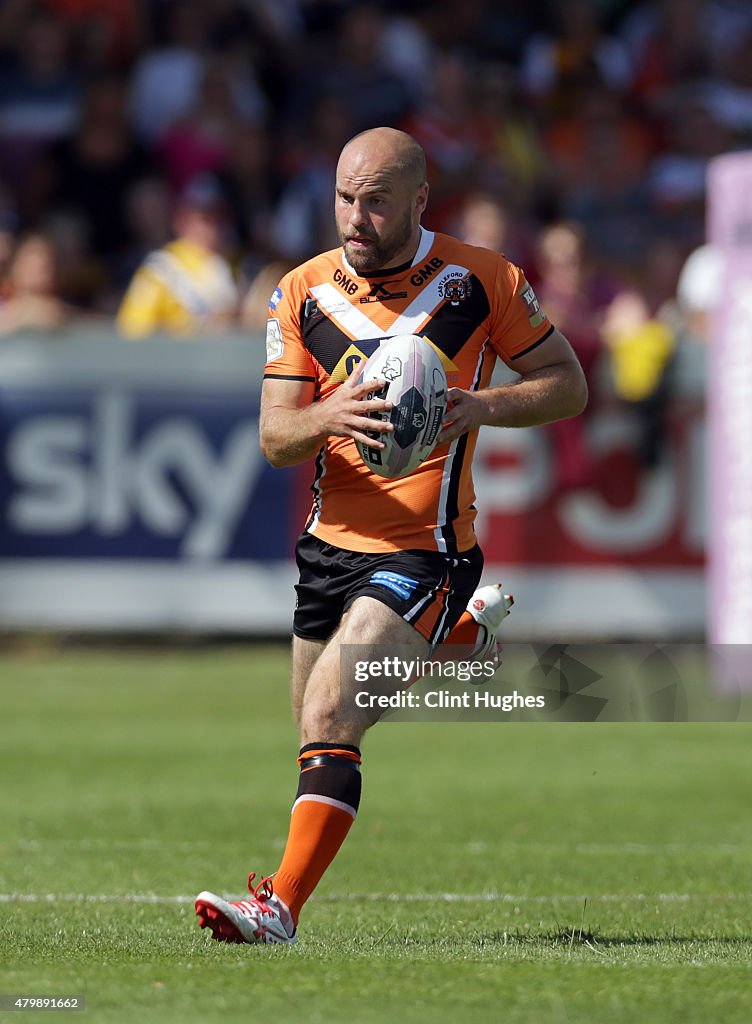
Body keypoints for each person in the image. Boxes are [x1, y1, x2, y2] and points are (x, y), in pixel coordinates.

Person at [195, 127, 587, 945]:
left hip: (427, 545)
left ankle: (280, 909)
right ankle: (463, 634)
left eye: (375, 200)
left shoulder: (484, 282)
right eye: (344, 197)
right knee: (316, 723)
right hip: (329, 545)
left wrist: (483, 405)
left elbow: (566, 385)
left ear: (418, 200)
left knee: (335, 709)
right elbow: (275, 440)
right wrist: (326, 415)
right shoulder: (300, 290)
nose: (355, 216)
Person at [115, 173, 238, 339]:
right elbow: (132, 332)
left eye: (220, 218)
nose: (214, 228)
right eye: (205, 219)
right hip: (176, 362)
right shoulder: (159, 269)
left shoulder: (235, 265)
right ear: (181, 220)